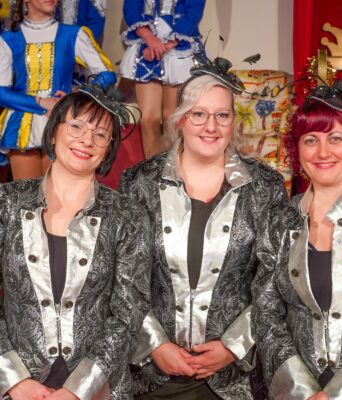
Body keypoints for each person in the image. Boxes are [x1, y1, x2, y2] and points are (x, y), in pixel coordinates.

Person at [119, 58, 287, 399]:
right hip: (152, 373)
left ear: (233, 121)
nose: (211, 126)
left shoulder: (265, 186)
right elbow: (123, 276)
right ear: (180, 119)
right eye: (198, 114)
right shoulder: (139, 183)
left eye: (222, 115)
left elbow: (276, 278)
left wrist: (233, 345)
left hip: (234, 377)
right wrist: (156, 344)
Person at [0, 83, 151, 400]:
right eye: (77, 126)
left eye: (101, 134)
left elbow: (128, 315)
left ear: (109, 148)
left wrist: (78, 390)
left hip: (99, 390)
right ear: (54, 131)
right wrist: (14, 380)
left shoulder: (128, 215)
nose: (87, 140)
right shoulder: (6, 203)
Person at [253, 79, 342, 399]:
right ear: (297, 148)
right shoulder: (279, 219)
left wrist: (341, 393)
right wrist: (302, 391)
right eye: (311, 140)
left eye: (335, 138)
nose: (322, 152)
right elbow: (266, 314)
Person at [0, 0, 116, 180]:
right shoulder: (8, 39)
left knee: (56, 193)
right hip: (22, 124)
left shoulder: (73, 34)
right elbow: (1, 92)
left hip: (61, 121)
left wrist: (78, 94)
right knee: (26, 195)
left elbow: (107, 74)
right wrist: (41, 102)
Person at [119, 0, 206, 158]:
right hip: (146, 46)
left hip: (179, 45)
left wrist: (167, 45)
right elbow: (131, 7)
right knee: (148, 118)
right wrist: (150, 39)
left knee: (172, 118)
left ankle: (174, 168)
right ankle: (153, 168)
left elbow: (194, 11)